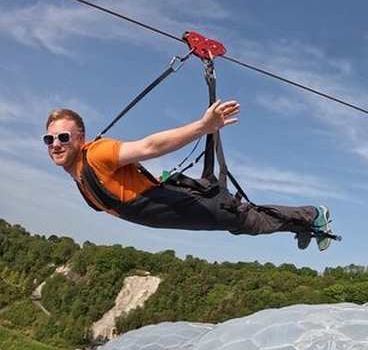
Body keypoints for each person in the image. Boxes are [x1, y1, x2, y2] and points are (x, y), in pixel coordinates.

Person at [44, 100, 334, 251]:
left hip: (173, 204)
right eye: (50, 139)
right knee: (242, 222)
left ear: (80, 137)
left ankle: (312, 215)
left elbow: (150, 146)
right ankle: (302, 224)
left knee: (244, 219)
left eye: (63, 137)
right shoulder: (79, 176)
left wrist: (202, 127)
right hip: (169, 210)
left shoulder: (95, 154)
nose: (56, 144)